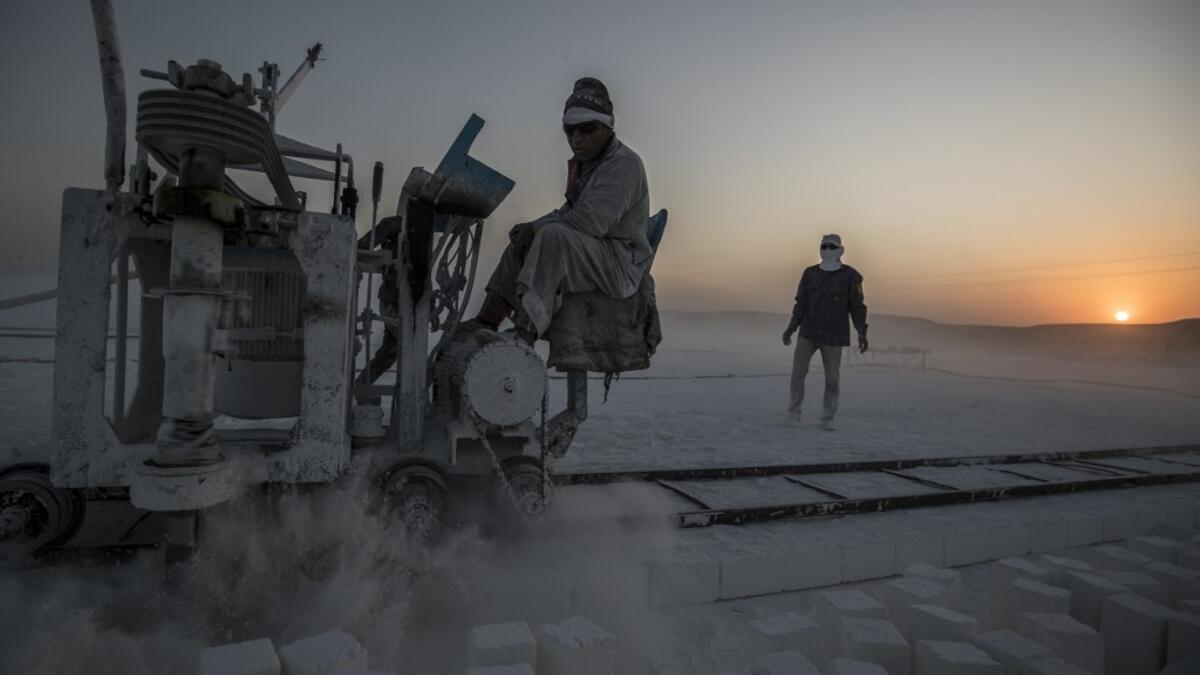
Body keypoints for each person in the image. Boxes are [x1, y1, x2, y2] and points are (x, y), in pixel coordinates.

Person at [469, 77, 651, 342]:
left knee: (553, 237)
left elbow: (590, 223)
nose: (577, 139)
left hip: (619, 262)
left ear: (607, 128)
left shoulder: (624, 164)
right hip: (595, 251)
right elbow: (569, 210)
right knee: (522, 241)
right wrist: (531, 228)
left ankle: (524, 334)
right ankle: (485, 322)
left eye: (586, 129)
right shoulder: (586, 164)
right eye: (570, 131)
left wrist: (538, 229)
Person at [781, 234, 869, 430]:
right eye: (824, 246)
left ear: (840, 249)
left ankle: (827, 418)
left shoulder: (851, 276)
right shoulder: (809, 274)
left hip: (834, 336)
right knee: (798, 374)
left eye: (832, 246)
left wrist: (862, 332)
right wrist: (791, 328)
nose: (828, 250)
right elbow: (801, 304)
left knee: (832, 380)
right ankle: (793, 414)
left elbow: (858, 307)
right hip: (808, 333)